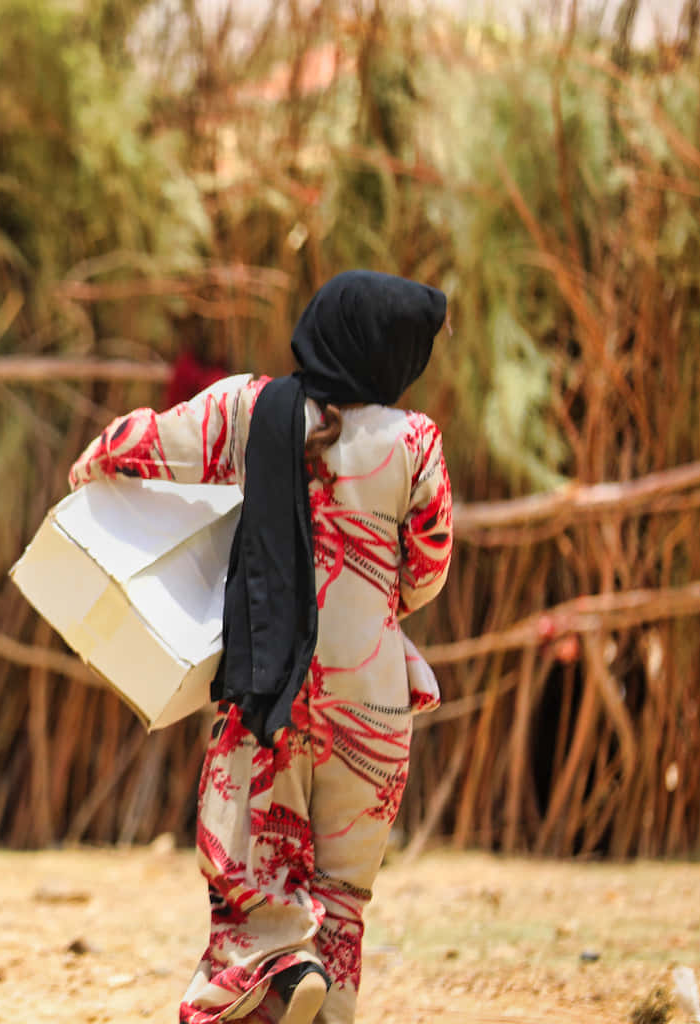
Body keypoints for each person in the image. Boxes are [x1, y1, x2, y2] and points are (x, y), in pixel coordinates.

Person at [68, 271, 454, 1024]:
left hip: (269, 689)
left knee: (250, 879)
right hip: (374, 700)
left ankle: (277, 966)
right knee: (344, 899)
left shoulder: (252, 407)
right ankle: (321, 994)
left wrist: (93, 469)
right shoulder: (416, 442)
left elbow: (143, 444)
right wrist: (370, 605)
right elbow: (428, 571)